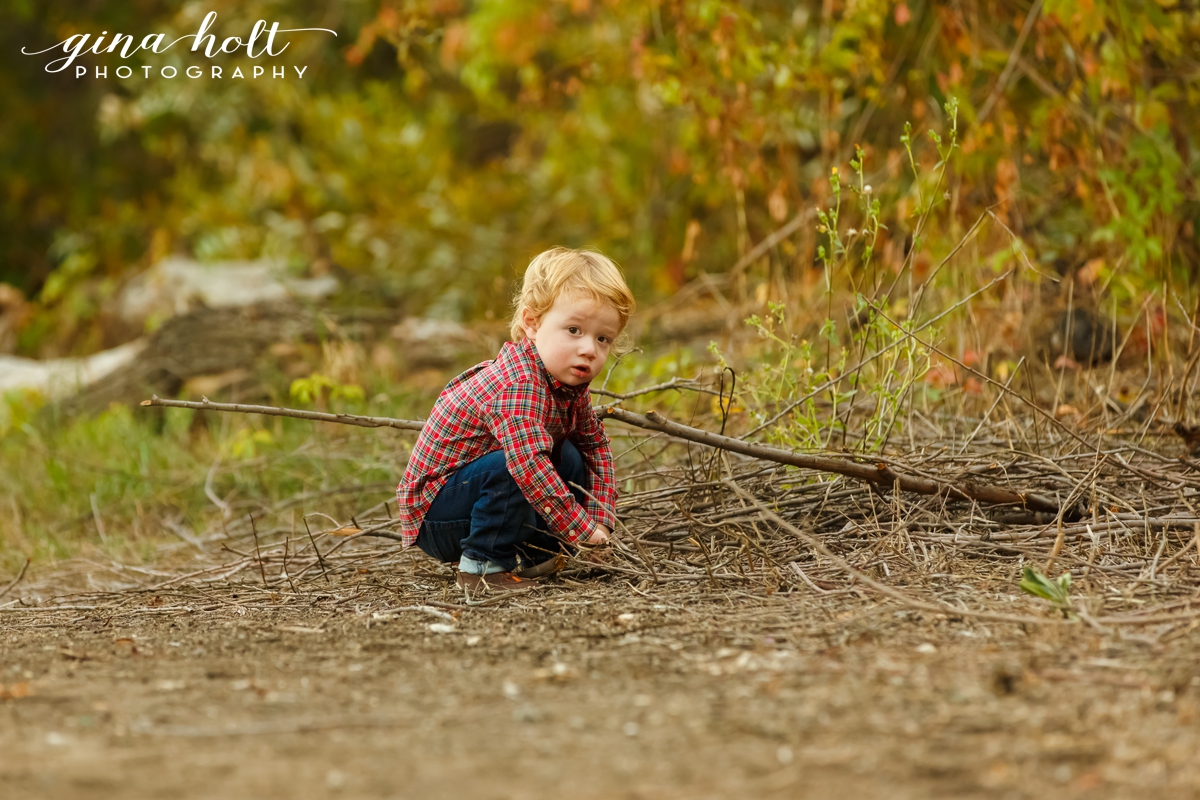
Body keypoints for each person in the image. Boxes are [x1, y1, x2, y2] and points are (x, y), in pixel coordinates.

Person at [396, 247, 635, 592]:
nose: (589, 349)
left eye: (603, 339)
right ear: (532, 324)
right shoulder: (519, 385)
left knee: (569, 453)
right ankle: (480, 568)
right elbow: (527, 467)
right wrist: (583, 530)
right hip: (437, 517)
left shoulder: (567, 385)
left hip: (480, 498)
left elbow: (596, 448)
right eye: (573, 330)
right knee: (517, 464)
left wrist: (600, 521)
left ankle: (543, 554)